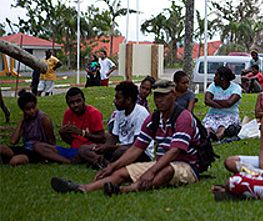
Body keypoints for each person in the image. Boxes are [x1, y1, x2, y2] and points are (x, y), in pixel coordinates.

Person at [50, 80, 201, 196]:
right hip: (160, 162)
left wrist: (151, 171)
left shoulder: (183, 117)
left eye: (163, 95)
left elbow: (174, 151)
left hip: (186, 166)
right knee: (121, 172)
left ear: (173, 96)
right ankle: (83, 188)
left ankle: (124, 190)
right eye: (156, 95)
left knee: (165, 171)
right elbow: (137, 147)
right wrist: (112, 167)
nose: (159, 99)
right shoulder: (154, 118)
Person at [77, 81, 152, 168]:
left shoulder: (140, 113)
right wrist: (104, 148)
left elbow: (136, 145)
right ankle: (106, 163)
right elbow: (114, 138)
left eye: (118, 98)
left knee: (121, 151)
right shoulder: (119, 112)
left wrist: (111, 148)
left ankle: (103, 163)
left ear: (128, 100)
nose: (115, 101)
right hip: (120, 149)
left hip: (140, 152)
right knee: (83, 149)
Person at [33, 87, 105, 164]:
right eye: (72, 102)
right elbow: (71, 141)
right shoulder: (68, 113)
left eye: (78, 101)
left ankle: (61, 159)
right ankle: (68, 161)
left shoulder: (93, 113)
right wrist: (63, 133)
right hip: (73, 150)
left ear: (84, 100)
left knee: (83, 150)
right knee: (38, 146)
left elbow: (102, 138)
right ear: (68, 103)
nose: (76, 105)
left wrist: (82, 133)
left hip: (88, 149)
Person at [0, 90, 55, 166]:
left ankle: (11, 159)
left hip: (37, 151)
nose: (32, 111)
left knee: (14, 161)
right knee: (1, 148)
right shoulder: (25, 119)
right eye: (28, 109)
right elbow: (13, 141)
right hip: (25, 148)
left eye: (33, 107)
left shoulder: (43, 118)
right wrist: (21, 122)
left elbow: (51, 141)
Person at [202, 66, 242, 141]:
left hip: (230, 115)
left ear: (222, 78)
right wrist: (223, 105)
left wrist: (214, 100)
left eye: (216, 75)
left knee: (223, 126)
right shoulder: (213, 86)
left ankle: (217, 136)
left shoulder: (236, 88)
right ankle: (209, 136)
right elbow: (207, 100)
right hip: (213, 114)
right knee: (208, 126)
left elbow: (229, 103)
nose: (214, 78)